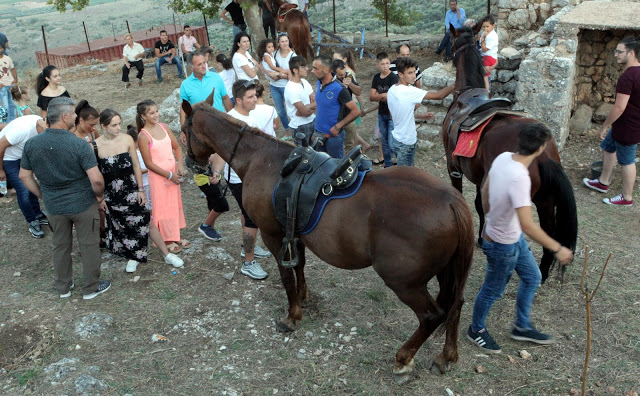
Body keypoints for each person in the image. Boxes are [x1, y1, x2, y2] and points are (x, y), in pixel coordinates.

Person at [467, 122, 573, 353]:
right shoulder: (520, 178)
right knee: (493, 290)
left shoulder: (504, 157)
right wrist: (558, 248)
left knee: (533, 277)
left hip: (511, 238)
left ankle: (521, 326)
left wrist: (488, 219)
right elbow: (528, 224)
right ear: (541, 149)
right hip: (503, 244)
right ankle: (476, 329)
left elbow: (485, 188)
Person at [19, 97, 111, 300]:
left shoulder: (32, 144)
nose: (76, 117)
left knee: (60, 246)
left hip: (54, 206)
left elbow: (24, 176)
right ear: (64, 116)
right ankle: (90, 288)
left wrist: (42, 195)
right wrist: (99, 196)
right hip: (83, 204)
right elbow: (96, 180)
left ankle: (63, 287)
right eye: (73, 113)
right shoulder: (78, 145)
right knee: (88, 244)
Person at [93, 109, 183, 272]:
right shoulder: (95, 146)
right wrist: (100, 198)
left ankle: (166, 254)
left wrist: (141, 189)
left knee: (146, 220)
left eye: (119, 123)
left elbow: (136, 165)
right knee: (123, 225)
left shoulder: (127, 139)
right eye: (114, 125)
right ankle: (133, 256)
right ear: (103, 126)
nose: (118, 127)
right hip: (111, 193)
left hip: (132, 188)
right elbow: (96, 175)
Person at [212, 79, 272, 280]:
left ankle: (247, 248)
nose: (255, 99)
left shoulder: (250, 115)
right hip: (240, 178)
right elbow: (220, 151)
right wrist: (216, 173)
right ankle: (248, 262)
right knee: (252, 218)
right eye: (250, 97)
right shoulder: (231, 121)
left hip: (253, 176)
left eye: (255, 95)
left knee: (247, 216)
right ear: (238, 100)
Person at [179, 51, 232, 242]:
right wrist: (184, 130)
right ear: (191, 67)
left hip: (218, 129)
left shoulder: (216, 78)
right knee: (203, 164)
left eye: (205, 62)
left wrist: (232, 117)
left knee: (219, 161)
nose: (204, 66)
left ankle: (216, 186)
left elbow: (225, 99)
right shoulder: (186, 85)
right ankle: (213, 204)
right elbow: (183, 108)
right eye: (199, 64)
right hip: (200, 133)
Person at [583, 36, 640, 207]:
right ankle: (603, 182)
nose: (615, 55)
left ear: (631, 53)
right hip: (625, 125)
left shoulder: (627, 77)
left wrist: (605, 125)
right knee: (608, 148)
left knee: (627, 160)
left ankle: (626, 197)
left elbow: (619, 107)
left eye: (619, 51)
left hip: (627, 127)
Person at [137, 100, 190, 254]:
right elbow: (148, 163)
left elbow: (177, 147)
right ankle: (166, 239)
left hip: (173, 174)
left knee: (175, 204)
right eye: (151, 113)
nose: (156, 115)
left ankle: (176, 235)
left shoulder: (164, 127)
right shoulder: (143, 136)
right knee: (163, 207)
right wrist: (169, 175)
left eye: (156, 111)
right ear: (143, 116)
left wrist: (179, 165)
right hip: (160, 178)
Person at [387, 58, 454, 166]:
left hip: (396, 139)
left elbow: (396, 115)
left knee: (404, 174)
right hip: (406, 142)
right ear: (400, 74)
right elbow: (439, 96)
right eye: (410, 73)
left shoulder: (392, 90)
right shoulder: (409, 91)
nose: (414, 75)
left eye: (414, 72)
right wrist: (454, 85)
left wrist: (422, 116)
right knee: (406, 178)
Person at [0, 115, 48, 238]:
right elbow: (0, 146)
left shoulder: (41, 126)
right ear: (44, 125)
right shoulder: (23, 130)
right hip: (8, 159)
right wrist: (0, 169)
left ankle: (37, 214)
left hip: (21, 156)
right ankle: (32, 220)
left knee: (30, 183)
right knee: (24, 190)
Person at [311, 54, 360, 159]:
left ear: (326, 70)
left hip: (333, 137)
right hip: (319, 133)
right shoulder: (319, 82)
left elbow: (356, 111)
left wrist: (338, 126)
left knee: (335, 168)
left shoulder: (339, 89)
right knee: (321, 165)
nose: (312, 71)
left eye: (315, 68)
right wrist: (316, 131)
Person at [331, 59, 370, 153]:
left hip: (348, 115)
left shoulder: (348, 75)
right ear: (334, 72)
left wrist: (350, 84)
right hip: (334, 116)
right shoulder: (330, 78)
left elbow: (359, 91)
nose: (343, 76)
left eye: (344, 73)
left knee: (350, 144)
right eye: (340, 75)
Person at [260, 35, 294, 137]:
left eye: (286, 41)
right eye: (282, 41)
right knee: (280, 111)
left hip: (286, 86)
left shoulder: (293, 56)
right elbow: (267, 69)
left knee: (291, 109)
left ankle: (295, 130)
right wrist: (282, 74)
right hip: (274, 86)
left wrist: (280, 76)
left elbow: (293, 75)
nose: (284, 43)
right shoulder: (272, 54)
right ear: (278, 43)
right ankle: (288, 132)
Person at [369, 52, 398, 167]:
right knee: (384, 141)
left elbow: (390, 97)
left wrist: (380, 96)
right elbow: (371, 97)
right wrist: (383, 96)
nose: (385, 66)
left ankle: (402, 160)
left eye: (387, 63)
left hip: (392, 114)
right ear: (377, 65)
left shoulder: (393, 78)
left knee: (391, 143)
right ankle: (388, 164)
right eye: (382, 64)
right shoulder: (376, 78)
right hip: (381, 113)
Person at [284, 55, 316, 145]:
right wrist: (311, 107)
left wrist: (307, 108)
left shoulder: (305, 82)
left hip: (312, 120)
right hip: (300, 126)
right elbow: (304, 113)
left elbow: (316, 101)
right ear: (295, 70)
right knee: (304, 154)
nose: (307, 68)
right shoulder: (291, 88)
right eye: (303, 67)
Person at [479, 15, 499, 91]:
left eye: (487, 26)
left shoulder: (492, 36)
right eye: (484, 27)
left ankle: (487, 93)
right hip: (489, 57)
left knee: (485, 77)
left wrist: (483, 38)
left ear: (493, 26)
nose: (485, 29)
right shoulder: (487, 34)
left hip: (488, 57)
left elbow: (484, 49)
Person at [0, 45, 17, 123]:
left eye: (0, 48)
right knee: (5, 105)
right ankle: (6, 123)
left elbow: (12, 69)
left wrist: (15, 79)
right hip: (2, 86)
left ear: (2, 49)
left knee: (12, 103)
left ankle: (13, 121)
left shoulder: (7, 58)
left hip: (10, 83)